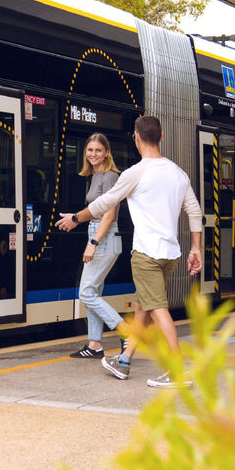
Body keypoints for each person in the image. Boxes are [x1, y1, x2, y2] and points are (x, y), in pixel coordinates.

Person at [55, 115, 203, 388]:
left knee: (158, 310)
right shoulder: (178, 173)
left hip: (146, 254)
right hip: (171, 254)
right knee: (142, 307)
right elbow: (194, 211)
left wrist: (75, 218)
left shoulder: (135, 173)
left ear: (136, 138)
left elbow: (105, 203)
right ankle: (123, 361)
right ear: (160, 138)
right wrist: (196, 248)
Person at [67, 133, 126, 359]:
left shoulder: (110, 176)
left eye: (98, 150)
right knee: (94, 292)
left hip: (104, 236)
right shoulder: (96, 175)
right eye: (90, 150)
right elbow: (97, 211)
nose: (93, 154)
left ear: (107, 152)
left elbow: (110, 215)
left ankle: (125, 330)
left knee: (86, 293)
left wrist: (93, 243)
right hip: (100, 234)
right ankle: (94, 345)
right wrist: (75, 218)